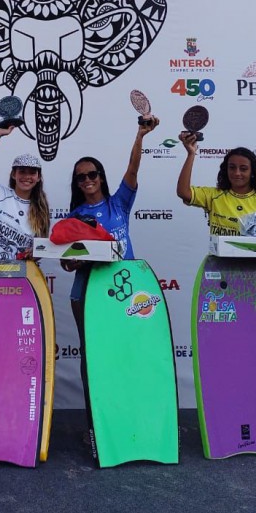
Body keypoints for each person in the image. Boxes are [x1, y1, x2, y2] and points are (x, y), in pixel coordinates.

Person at [65, 114, 159, 368]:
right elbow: (66, 263)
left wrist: (140, 135)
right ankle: (93, 396)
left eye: (92, 174)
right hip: (87, 289)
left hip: (124, 285)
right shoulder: (74, 217)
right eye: (81, 177)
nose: (87, 180)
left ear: (101, 177)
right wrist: (74, 261)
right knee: (92, 350)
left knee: (126, 345)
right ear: (77, 183)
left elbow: (132, 169)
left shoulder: (119, 203)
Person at [0, 125, 50, 268]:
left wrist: (35, 253)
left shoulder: (41, 209)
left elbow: (41, 249)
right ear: (14, 174)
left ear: (38, 177)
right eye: (22, 171)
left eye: (32, 173)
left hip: (21, 273)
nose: (27, 177)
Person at [176, 134, 256, 234]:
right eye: (232, 167)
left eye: (243, 169)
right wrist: (191, 154)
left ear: (252, 172)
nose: (237, 173)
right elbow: (183, 192)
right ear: (226, 170)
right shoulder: (213, 196)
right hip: (217, 250)